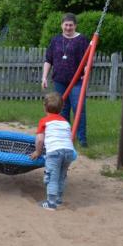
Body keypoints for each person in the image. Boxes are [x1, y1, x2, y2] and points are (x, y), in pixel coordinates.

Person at [41, 13, 91, 147]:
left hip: (77, 81)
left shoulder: (82, 40)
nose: (68, 28)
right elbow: (48, 60)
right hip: (59, 81)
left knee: (78, 108)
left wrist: (87, 71)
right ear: (61, 25)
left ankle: (82, 138)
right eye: (66, 25)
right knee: (62, 109)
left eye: (71, 25)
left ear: (75, 26)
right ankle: (65, 136)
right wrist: (44, 77)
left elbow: (88, 60)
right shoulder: (56, 40)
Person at [30, 92, 76, 211]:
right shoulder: (65, 122)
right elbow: (70, 138)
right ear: (62, 108)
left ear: (44, 106)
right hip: (69, 152)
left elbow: (40, 139)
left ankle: (51, 203)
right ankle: (58, 200)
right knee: (61, 176)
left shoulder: (44, 121)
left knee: (52, 177)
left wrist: (38, 152)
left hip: (54, 152)